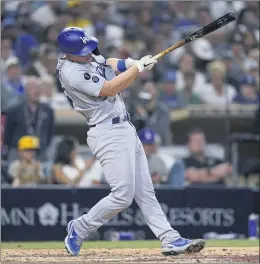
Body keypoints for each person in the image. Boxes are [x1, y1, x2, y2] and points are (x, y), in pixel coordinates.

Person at [56, 27, 205, 256]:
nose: (88, 54)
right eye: (82, 51)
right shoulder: (72, 73)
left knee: (145, 192)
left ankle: (170, 238)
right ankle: (80, 227)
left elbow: (107, 62)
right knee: (123, 196)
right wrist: (137, 70)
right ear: (68, 53)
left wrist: (131, 63)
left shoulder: (85, 56)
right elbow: (111, 87)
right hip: (106, 132)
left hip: (124, 127)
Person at [3, 76, 54, 161]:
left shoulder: (48, 111)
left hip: (39, 152)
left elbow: (49, 134)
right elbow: (8, 136)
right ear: (25, 90)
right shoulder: (14, 111)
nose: (36, 91)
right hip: (18, 153)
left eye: (38, 88)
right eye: (32, 88)